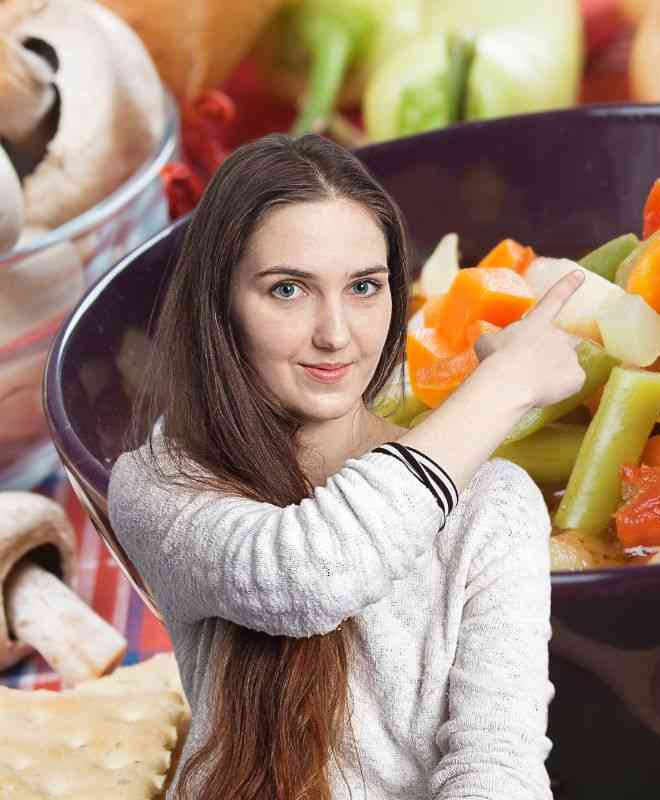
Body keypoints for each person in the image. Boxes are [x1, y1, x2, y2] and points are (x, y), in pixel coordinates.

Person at [108, 133, 586, 800]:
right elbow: (311, 573)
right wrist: (503, 387)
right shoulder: (161, 482)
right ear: (221, 305)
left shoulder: (494, 504)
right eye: (288, 290)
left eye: (364, 286)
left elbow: (496, 763)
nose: (335, 332)